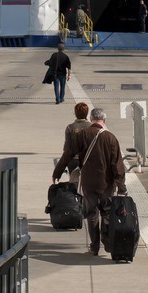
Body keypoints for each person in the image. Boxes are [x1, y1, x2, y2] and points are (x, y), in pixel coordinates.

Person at [53, 106, 126, 256]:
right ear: (104, 120)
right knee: (106, 211)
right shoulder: (111, 138)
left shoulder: (83, 135)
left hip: (88, 181)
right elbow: (117, 165)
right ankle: (107, 242)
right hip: (107, 183)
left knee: (92, 213)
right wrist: (121, 186)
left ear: (91, 119)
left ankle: (94, 247)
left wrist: (58, 172)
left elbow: (68, 154)